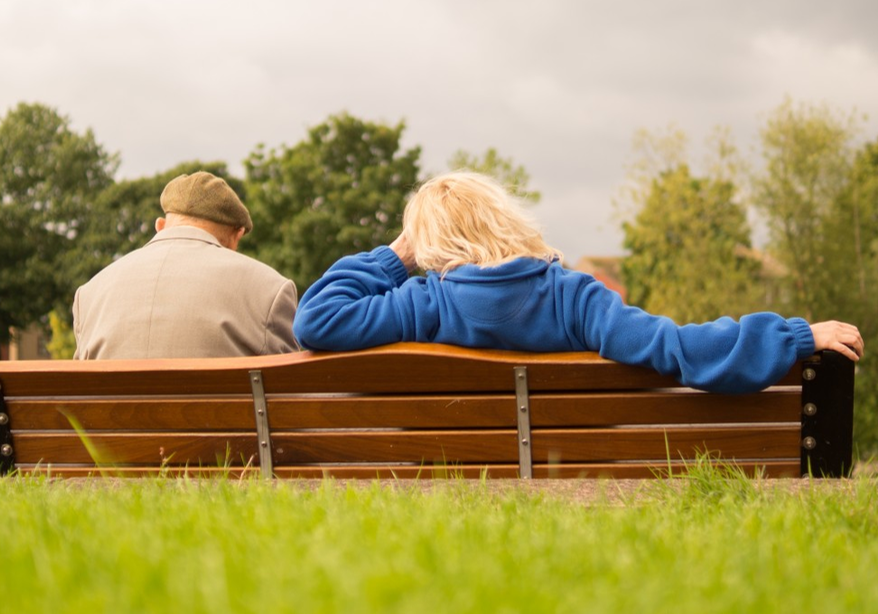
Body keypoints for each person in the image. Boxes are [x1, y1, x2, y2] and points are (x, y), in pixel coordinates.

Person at [292, 171, 863, 394]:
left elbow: (316, 319)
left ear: (431, 245)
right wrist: (792, 337)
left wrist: (396, 257)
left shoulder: (421, 302)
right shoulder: (574, 297)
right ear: (505, 220)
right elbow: (675, 347)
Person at [73, 171, 298, 359]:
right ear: (236, 235)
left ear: (160, 225)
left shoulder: (89, 294)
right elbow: (290, 394)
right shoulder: (270, 289)